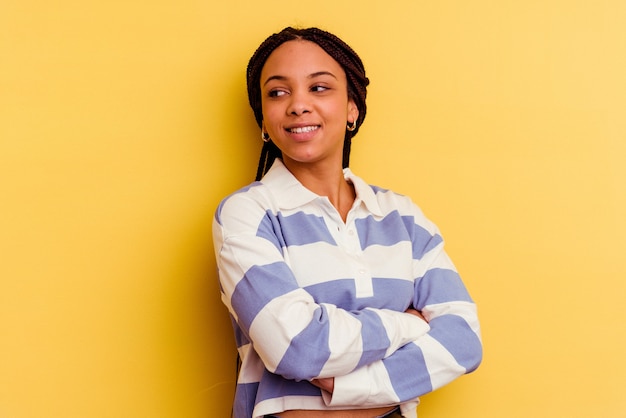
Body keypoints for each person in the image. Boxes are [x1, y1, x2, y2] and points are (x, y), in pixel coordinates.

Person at [212, 26, 482, 418]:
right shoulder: (247, 214)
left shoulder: (403, 217)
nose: (298, 105)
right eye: (277, 92)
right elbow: (297, 348)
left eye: (319, 88)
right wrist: (407, 325)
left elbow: (464, 340)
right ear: (263, 121)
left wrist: (347, 386)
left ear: (352, 108)